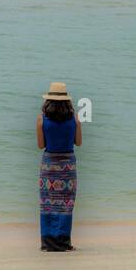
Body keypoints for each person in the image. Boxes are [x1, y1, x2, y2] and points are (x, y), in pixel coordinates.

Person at [36, 82, 81, 251]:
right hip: (68, 167)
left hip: (49, 166)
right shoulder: (74, 118)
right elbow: (79, 142)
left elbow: (41, 145)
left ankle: (47, 243)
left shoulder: (41, 119)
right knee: (66, 204)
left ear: (48, 100)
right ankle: (64, 243)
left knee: (47, 203)